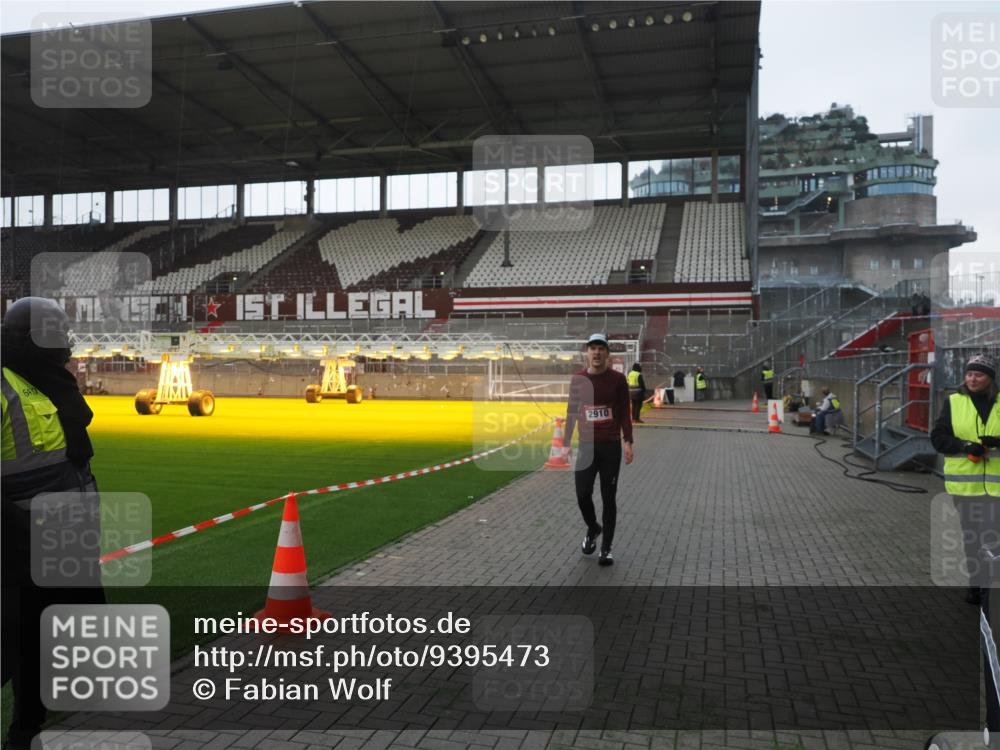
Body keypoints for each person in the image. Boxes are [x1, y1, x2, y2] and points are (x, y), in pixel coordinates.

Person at [1, 297, 105, 750]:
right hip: (16, 554)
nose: (64, 344)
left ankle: (26, 734)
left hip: (65, 548)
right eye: (56, 335)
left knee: (45, 650)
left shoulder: (47, 384)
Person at [929, 353, 1000, 731]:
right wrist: (964, 448)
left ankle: (989, 586)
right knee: (975, 540)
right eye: (970, 373)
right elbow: (938, 437)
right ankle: (979, 587)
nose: (973, 379)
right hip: (968, 488)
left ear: (990, 378)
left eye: (980, 374)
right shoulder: (952, 402)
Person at [564, 333, 634, 567]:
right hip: (585, 447)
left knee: (608, 498)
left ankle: (606, 549)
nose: (596, 352)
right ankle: (594, 528)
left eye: (601, 348)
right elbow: (572, 411)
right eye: (592, 348)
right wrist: (565, 443)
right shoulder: (578, 380)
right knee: (582, 494)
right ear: (587, 352)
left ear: (607, 353)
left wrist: (628, 441)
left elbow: (625, 411)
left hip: (610, 447)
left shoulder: (617, 380)